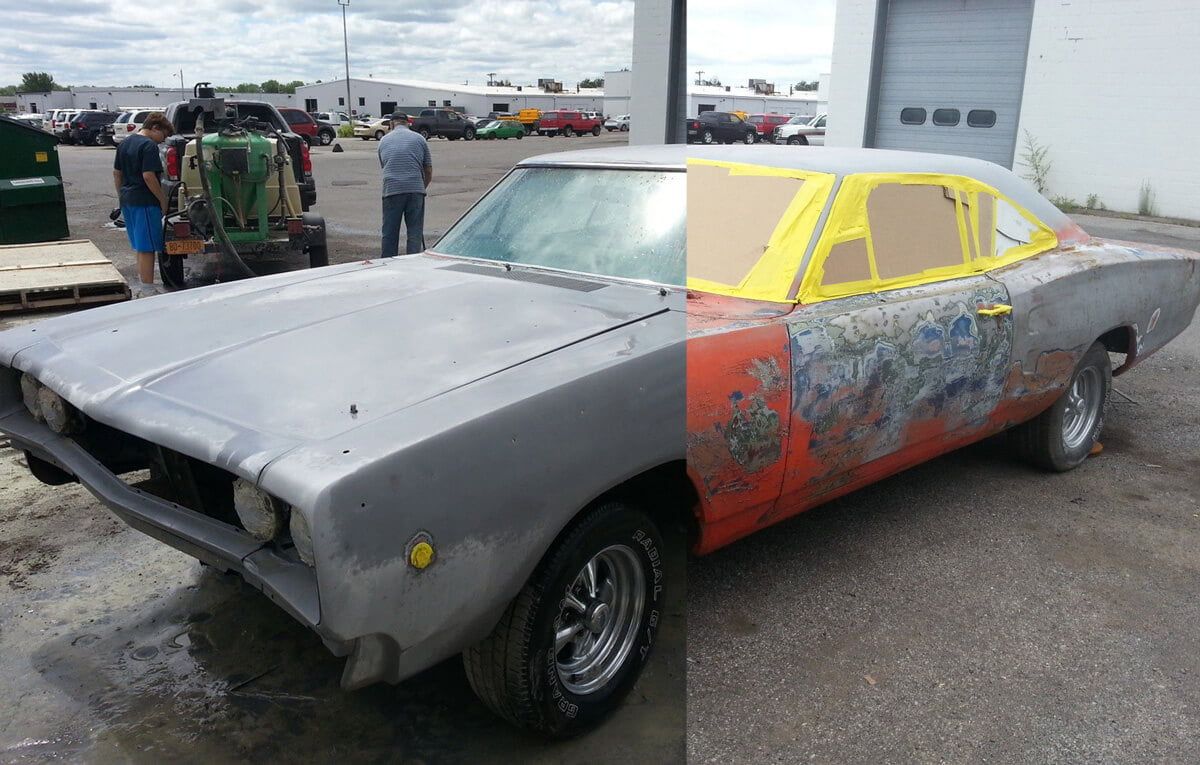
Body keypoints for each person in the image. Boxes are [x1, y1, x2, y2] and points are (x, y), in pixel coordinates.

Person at [112, 112, 172, 292]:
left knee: (139, 244)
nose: (162, 141)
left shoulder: (124, 143)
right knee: (147, 247)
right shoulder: (148, 146)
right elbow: (148, 176)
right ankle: (147, 289)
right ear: (155, 128)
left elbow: (117, 173)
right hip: (145, 200)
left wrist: (121, 196)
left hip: (128, 200)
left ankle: (144, 284)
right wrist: (162, 200)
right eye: (164, 135)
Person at [378, 113, 433, 257]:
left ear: (391, 124)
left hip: (392, 189)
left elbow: (384, 165)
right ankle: (413, 262)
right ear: (408, 123)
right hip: (415, 189)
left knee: (389, 233)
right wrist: (421, 187)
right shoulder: (420, 139)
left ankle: (387, 263)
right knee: (415, 232)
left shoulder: (383, 140)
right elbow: (428, 169)